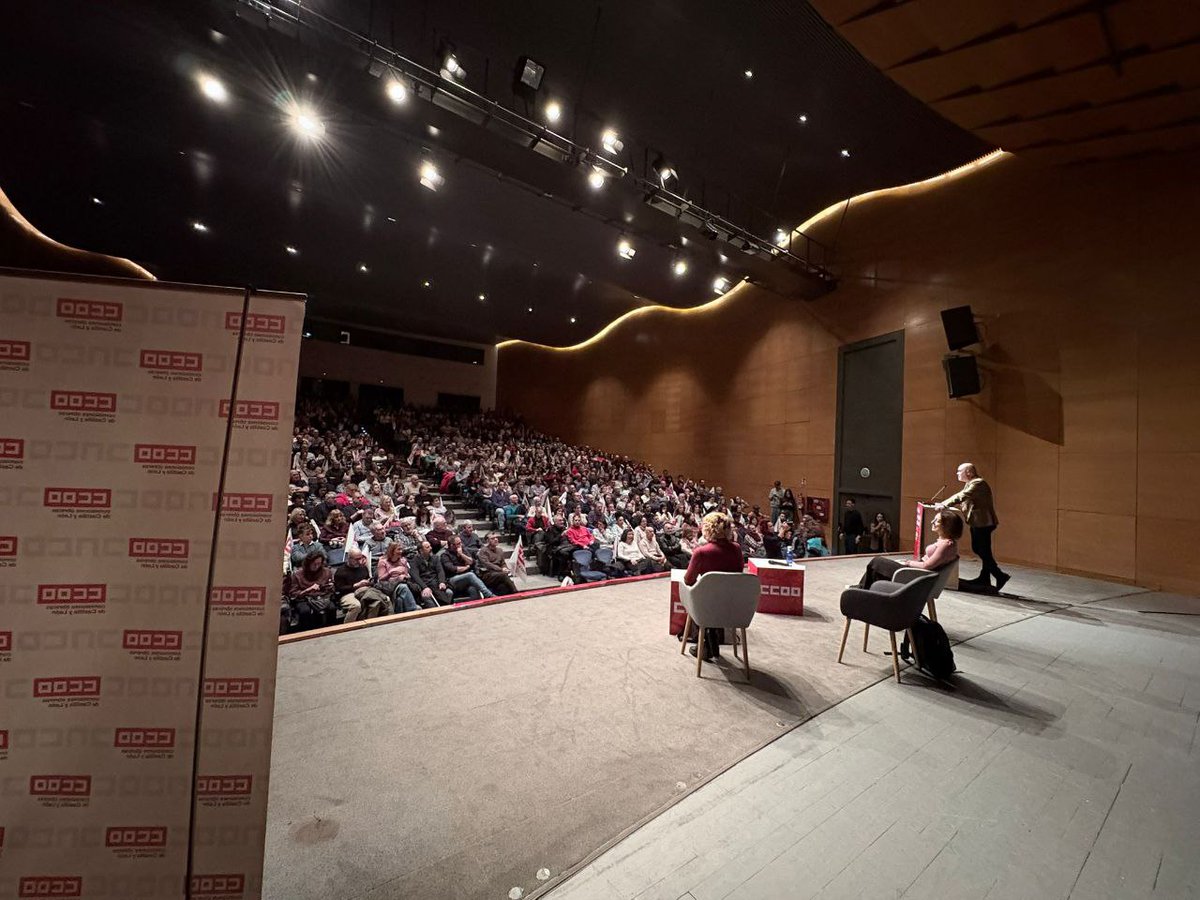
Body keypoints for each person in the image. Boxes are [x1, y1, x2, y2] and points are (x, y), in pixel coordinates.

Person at [937, 462, 1009, 592]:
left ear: (969, 472)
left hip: (983, 523)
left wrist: (945, 504)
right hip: (979, 522)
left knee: (981, 549)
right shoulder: (970, 483)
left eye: (959, 471)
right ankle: (985, 578)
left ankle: (1000, 575)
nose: (957, 473)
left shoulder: (978, 483)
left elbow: (962, 496)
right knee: (983, 550)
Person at [683, 511, 744, 660]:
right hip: (732, 606)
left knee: (699, 596)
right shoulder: (737, 549)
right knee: (714, 596)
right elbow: (738, 574)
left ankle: (706, 644)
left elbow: (688, 580)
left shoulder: (701, 552)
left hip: (707, 608)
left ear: (707, 529)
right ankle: (711, 644)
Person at [857, 511, 962, 589]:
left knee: (876, 561)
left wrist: (908, 563)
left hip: (917, 575)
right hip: (919, 572)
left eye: (937, 521)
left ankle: (860, 590)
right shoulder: (947, 542)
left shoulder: (946, 545)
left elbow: (927, 566)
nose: (932, 522)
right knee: (876, 571)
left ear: (947, 525)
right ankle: (863, 591)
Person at [439, 536, 495, 601]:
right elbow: (454, 569)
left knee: (473, 588)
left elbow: (472, 562)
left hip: (466, 578)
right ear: (452, 545)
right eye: (458, 544)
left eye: (461, 542)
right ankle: (488, 595)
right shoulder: (445, 555)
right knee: (470, 575)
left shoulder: (463, 550)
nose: (461, 545)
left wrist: (461, 554)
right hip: (453, 580)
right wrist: (467, 567)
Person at [376, 543, 426, 611]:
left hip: (402, 582)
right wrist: (391, 572)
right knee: (403, 587)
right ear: (392, 551)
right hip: (389, 585)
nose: (401, 551)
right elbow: (381, 579)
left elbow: (407, 575)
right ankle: (413, 609)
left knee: (400, 599)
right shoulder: (383, 562)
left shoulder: (403, 560)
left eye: (401, 549)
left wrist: (404, 576)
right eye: (399, 549)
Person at [411, 540, 452, 606]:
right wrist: (424, 587)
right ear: (421, 550)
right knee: (426, 596)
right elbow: (415, 576)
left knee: (449, 592)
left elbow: (440, 571)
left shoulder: (435, 558)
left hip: (436, 583)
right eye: (427, 547)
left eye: (430, 546)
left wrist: (442, 582)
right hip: (425, 584)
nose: (431, 548)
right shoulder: (414, 561)